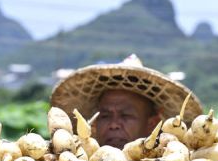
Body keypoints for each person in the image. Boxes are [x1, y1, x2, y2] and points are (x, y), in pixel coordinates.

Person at [49, 54, 203, 148]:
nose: (114, 124)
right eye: (105, 116)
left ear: (152, 124)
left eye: (126, 115)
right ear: (94, 123)